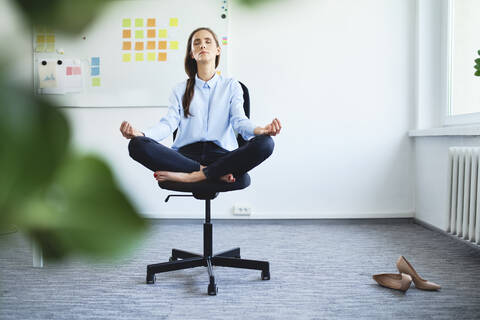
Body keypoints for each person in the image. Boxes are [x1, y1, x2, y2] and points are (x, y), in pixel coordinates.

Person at [120, 27, 281, 184]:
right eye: (196, 43)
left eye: (207, 41)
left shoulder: (231, 86)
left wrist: (261, 130)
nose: (202, 45)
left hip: (223, 156)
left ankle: (191, 176)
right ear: (192, 54)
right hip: (184, 158)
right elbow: (168, 124)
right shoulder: (180, 89)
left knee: (265, 143)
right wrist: (140, 134)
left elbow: (240, 120)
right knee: (137, 145)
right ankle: (211, 173)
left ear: (218, 50)